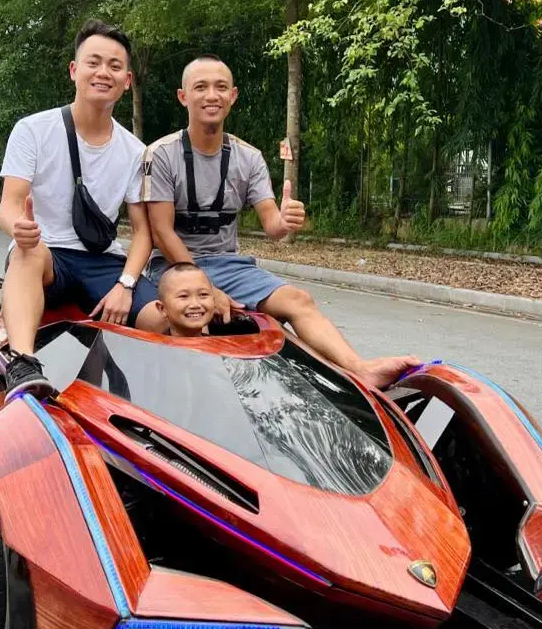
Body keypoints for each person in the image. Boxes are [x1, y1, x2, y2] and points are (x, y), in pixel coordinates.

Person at [142, 54, 420, 389]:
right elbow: (161, 230)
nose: (211, 95)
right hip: (173, 266)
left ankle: (358, 369)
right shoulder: (161, 154)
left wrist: (286, 220)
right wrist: (207, 290)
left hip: (228, 265)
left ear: (233, 96)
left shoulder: (249, 157)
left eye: (220, 87)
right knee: (167, 318)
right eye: (200, 87)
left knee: (298, 300)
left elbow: (272, 224)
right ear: (183, 96)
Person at [0, 19, 164, 402]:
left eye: (114, 65)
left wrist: (125, 285)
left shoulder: (134, 151)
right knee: (26, 252)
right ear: (74, 70)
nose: (102, 72)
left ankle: (161, 402)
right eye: (93, 62)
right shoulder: (33, 130)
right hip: (47, 254)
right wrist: (17, 227)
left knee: (162, 315)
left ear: (127, 80)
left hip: (100, 261)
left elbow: (142, 232)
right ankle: (23, 363)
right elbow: (10, 203)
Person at [155, 262, 216, 337]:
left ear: (214, 301)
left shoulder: (222, 346)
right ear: (162, 308)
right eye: (183, 296)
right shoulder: (154, 347)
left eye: (203, 294)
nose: (195, 304)